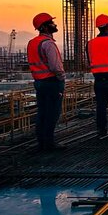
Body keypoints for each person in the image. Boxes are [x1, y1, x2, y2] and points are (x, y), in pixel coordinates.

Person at [27, 13, 65, 151]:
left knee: (42, 112)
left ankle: (41, 143)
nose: (54, 25)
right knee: (52, 114)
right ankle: (49, 144)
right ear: (43, 27)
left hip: (39, 82)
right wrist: (62, 78)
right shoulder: (48, 44)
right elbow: (55, 67)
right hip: (52, 82)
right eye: (50, 22)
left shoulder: (32, 43)